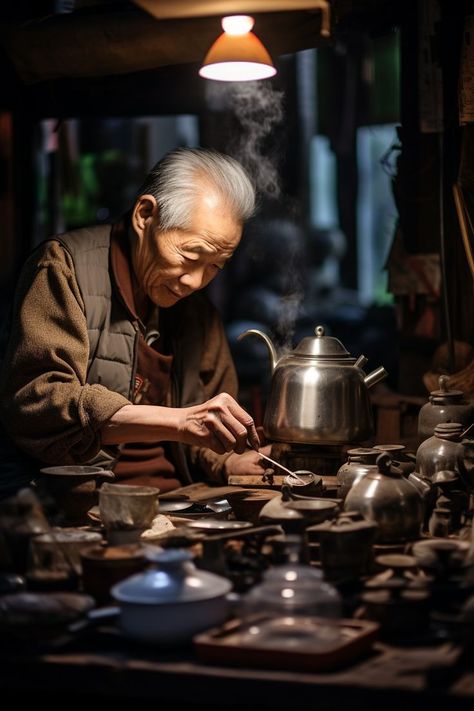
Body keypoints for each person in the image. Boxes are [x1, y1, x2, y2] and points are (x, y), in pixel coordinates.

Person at [0, 147, 271, 498]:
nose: (195, 281)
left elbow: (206, 433)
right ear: (145, 215)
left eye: (215, 265)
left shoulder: (197, 312)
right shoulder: (63, 267)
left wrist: (227, 462)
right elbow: (38, 402)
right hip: (77, 502)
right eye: (190, 255)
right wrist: (179, 421)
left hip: (180, 500)